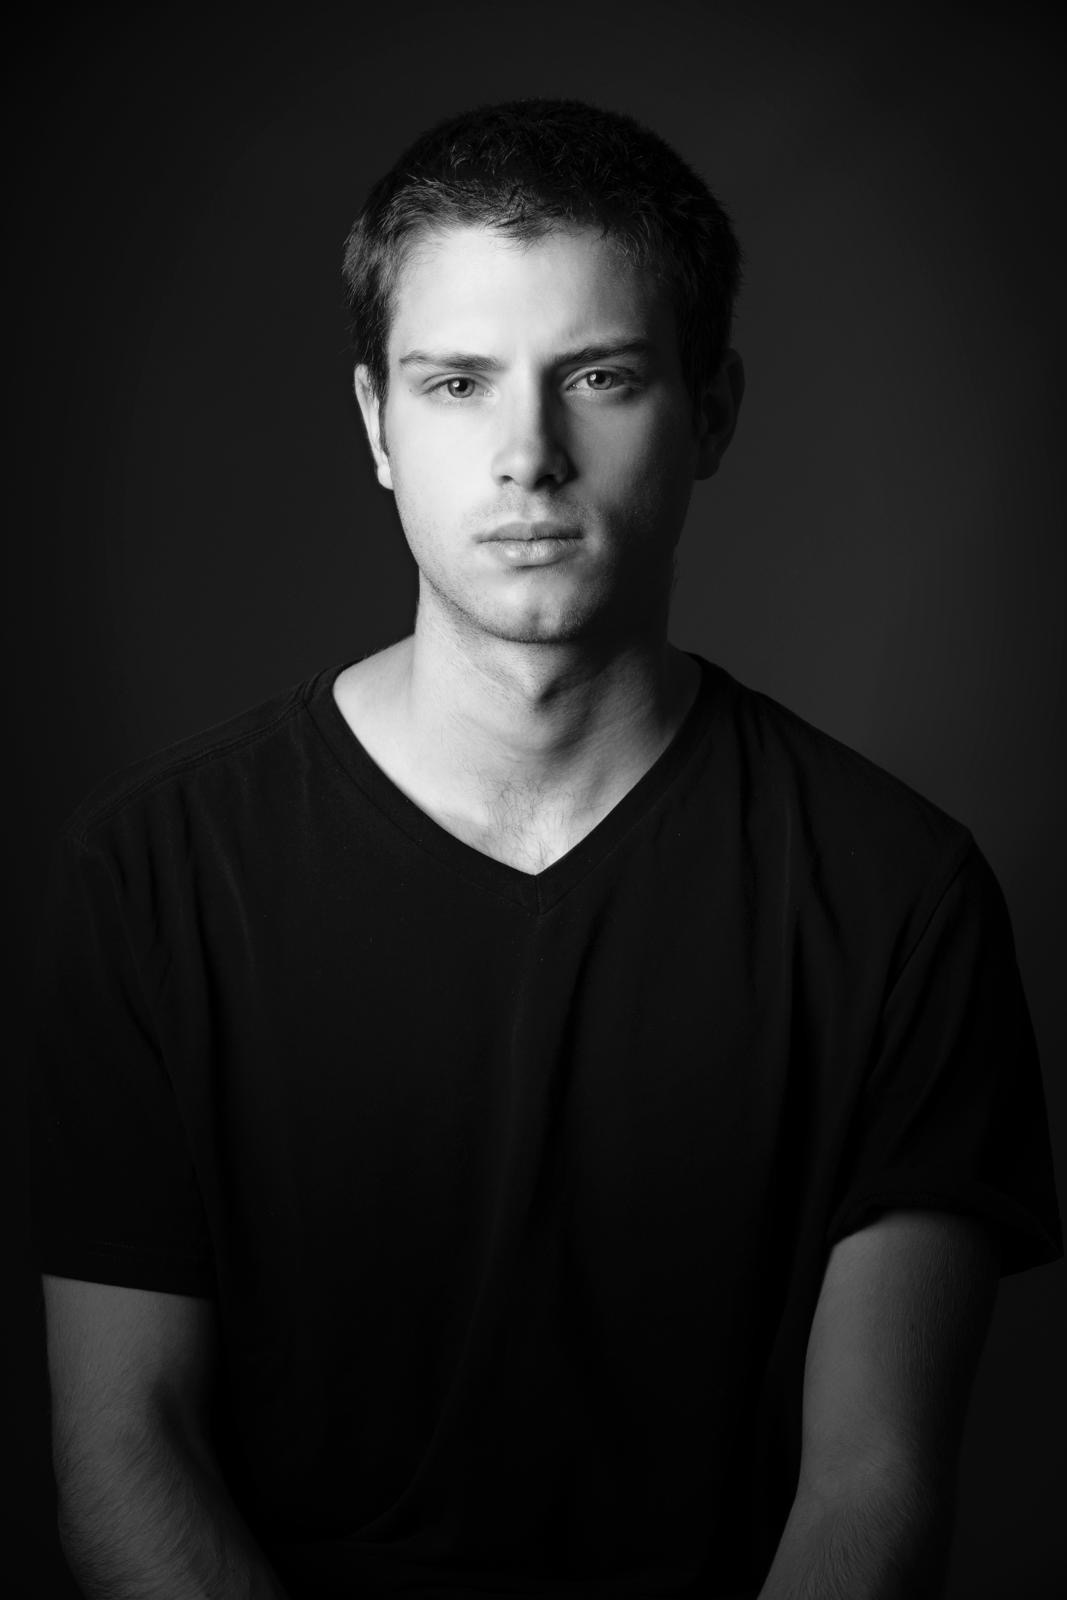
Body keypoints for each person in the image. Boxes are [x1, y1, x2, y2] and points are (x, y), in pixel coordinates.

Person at [30, 98, 1061, 1600]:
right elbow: (126, 1450)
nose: (529, 455)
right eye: (457, 383)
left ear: (712, 412)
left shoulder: (901, 896)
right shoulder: (149, 876)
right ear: (377, 426)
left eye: (601, 377)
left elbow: (873, 1487)